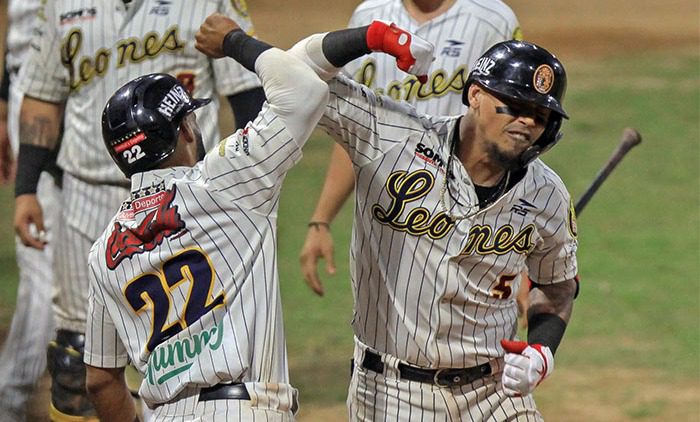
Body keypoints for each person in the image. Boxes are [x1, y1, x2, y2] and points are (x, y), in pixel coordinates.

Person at [83, 15, 433, 421]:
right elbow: (299, 84)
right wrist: (235, 41)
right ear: (186, 131)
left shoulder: (102, 253)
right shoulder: (224, 180)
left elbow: (100, 381)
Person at [290, 34, 580, 419]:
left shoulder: (547, 194)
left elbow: (558, 286)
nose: (527, 121)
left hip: (495, 394)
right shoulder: (393, 137)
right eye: (514, 105)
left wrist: (541, 352)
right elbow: (296, 71)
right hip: (392, 394)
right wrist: (372, 36)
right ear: (475, 95)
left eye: (539, 116)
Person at [12, 1, 265, 420]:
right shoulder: (61, 5)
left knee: (199, 353)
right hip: (88, 197)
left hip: (188, 202)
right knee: (77, 359)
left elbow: (246, 93)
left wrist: (245, 177)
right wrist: (26, 189)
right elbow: (43, 97)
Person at [299, 0, 530, 322]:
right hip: (388, 215)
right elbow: (353, 131)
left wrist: (519, 250)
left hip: (467, 212)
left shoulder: (492, 19)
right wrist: (321, 220)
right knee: (384, 329)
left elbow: (511, 136)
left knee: (471, 329)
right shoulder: (370, 17)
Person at [0, 1, 61, 420]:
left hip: (84, 87)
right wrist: (7, 98)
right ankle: (11, 395)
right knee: (44, 264)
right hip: (38, 95)